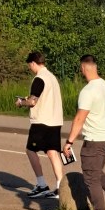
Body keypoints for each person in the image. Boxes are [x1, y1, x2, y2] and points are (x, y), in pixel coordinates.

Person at [63, 53, 105, 210]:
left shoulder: (88, 91)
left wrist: (69, 142)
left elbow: (80, 118)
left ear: (83, 68)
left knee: (90, 177)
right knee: (97, 172)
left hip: (95, 140)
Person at [16, 51, 64, 199]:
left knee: (30, 150)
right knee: (52, 152)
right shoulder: (52, 77)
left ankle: (41, 184)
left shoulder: (39, 78)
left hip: (41, 121)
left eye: (29, 65)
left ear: (33, 63)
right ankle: (60, 187)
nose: (30, 68)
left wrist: (21, 102)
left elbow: (32, 101)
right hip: (55, 121)